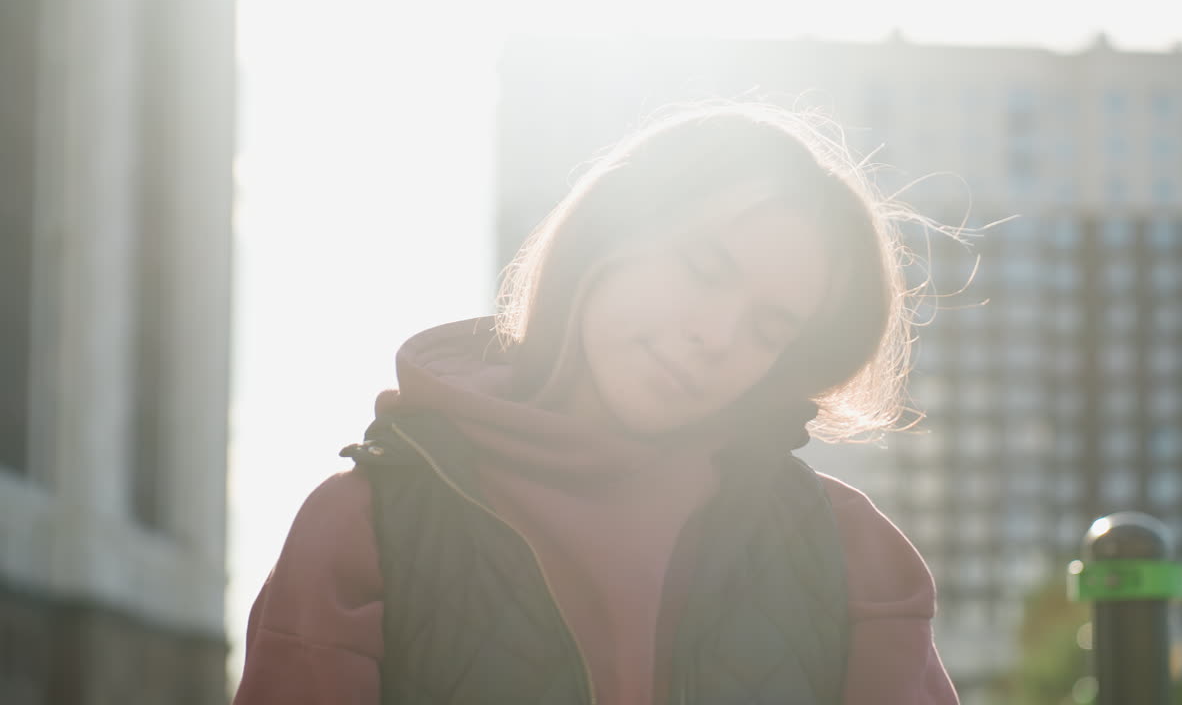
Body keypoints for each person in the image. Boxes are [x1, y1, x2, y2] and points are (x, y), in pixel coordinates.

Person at [232, 101, 960, 704]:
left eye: (769, 328)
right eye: (704, 268)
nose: (716, 334)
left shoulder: (847, 552)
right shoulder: (361, 526)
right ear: (610, 232)